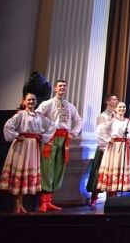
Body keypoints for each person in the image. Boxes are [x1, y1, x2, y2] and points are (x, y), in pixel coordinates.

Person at [0, 93, 55, 213]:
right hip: (22, 145)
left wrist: (43, 136)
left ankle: (21, 203)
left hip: (33, 146)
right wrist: (16, 135)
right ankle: (17, 204)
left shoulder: (40, 116)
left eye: (33, 100)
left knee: (26, 174)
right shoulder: (20, 115)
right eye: (29, 100)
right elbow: (8, 126)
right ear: (24, 101)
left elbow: (52, 126)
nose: (31, 102)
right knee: (20, 172)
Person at [36, 79, 83, 211]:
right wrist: (44, 131)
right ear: (55, 88)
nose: (62, 88)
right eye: (60, 86)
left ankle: (49, 200)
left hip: (63, 139)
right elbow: (37, 117)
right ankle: (43, 201)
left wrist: (73, 133)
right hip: (51, 138)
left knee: (59, 167)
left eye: (64, 86)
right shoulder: (48, 103)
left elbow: (78, 120)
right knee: (47, 167)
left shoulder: (69, 106)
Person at [96, 101, 130, 195]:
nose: (122, 109)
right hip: (114, 148)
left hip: (124, 148)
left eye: (124, 107)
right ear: (115, 109)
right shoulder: (112, 120)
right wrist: (108, 139)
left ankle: (116, 195)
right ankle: (110, 195)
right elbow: (100, 130)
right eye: (120, 107)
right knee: (113, 168)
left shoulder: (128, 121)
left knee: (120, 169)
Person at [86, 94, 117, 207]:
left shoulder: (117, 116)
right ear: (107, 102)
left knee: (112, 172)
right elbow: (100, 132)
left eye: (116, 99)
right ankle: (94, 197)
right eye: (113, 99)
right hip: (103, 147)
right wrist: (106, 144)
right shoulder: (102, 116)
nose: (116, 101)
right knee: (98, 172)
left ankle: (112, 198)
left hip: (114, 148)